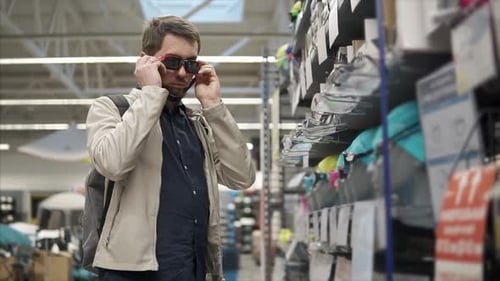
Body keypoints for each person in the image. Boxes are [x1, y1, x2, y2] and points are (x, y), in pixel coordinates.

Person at [85, 15, 256, 281]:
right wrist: (151, 92)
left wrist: (213, 105)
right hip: (131, 272)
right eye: (173, 62)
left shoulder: (197, 124)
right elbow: (113, 164)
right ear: (146, 60)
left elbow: (241, 177)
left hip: (192, 267)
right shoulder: (112, 108)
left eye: (191, 64)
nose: (183, 73)